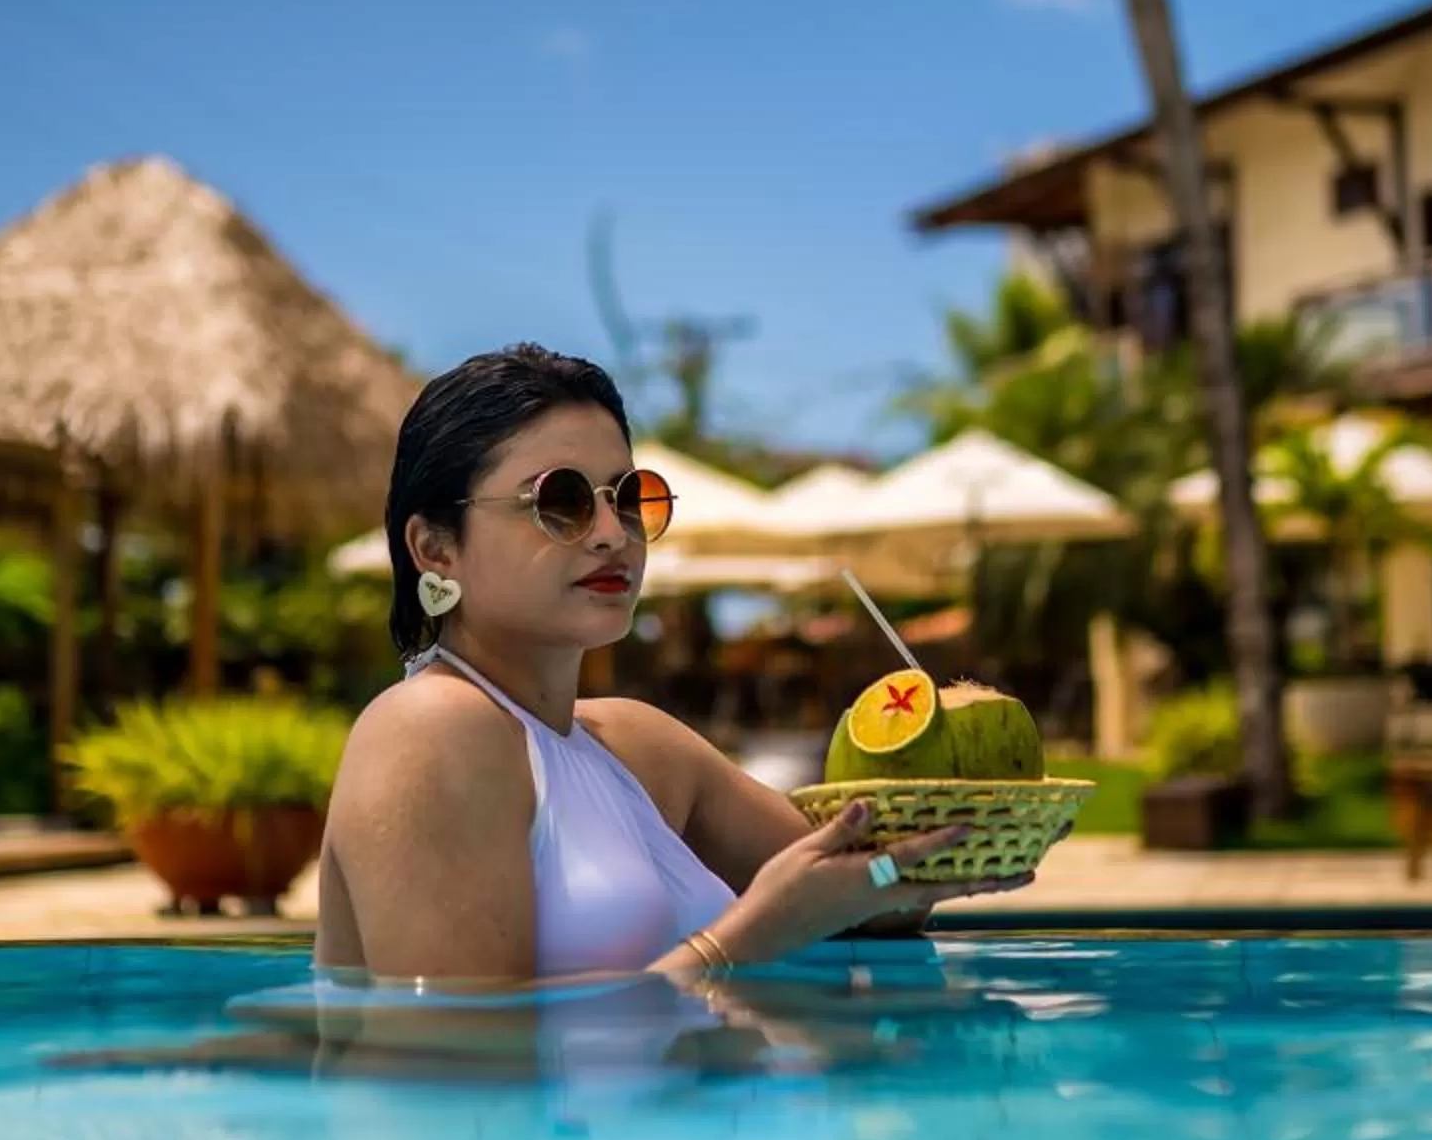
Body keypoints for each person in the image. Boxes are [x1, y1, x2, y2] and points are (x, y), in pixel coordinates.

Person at [314, 343, 1025, 988]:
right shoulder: (428, 728)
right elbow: (453, 1061)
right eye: (557, 502)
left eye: (628, 499)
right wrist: (743, 941)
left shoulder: (641, 747)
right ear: (435, 549)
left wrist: (947, 831)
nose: (608, 534)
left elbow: (862, 903)